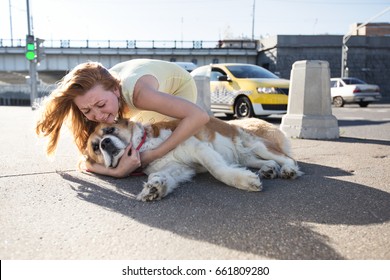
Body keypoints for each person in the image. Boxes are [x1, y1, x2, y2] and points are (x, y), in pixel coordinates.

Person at [35, 59, 210, 178]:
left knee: (152, 150)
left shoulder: (140, 95)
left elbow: (199, 116)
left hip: (177, 87)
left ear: (115, 90)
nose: (97, 116)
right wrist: (117, 172)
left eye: (101, 105)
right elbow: (86, 159)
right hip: (130, 90)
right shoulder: (96, 96)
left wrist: (152, 155)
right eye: (87, 110)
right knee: (127, 148)